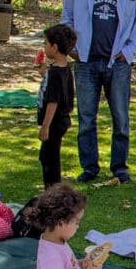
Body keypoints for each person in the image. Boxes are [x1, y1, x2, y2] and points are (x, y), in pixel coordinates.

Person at [61, 0, 136, 186]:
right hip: (85, 61)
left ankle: (119, 168)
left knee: (121, 118)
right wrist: (71, 49)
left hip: (118, 63)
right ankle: (89, 168)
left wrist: (128, 52)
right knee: (86, 118)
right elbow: (67, 18)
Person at [37, 24, 78, 189]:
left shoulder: (55, 73)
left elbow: (53, 101)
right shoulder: (64, 68)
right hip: (63, 119)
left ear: (54, 47)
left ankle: (52, 191)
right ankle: (53, 189)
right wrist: (44, 72)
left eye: (46, 43)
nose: (44, 47)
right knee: (47, 155)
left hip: (55, 121)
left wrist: (45, 126)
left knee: (49, 157)